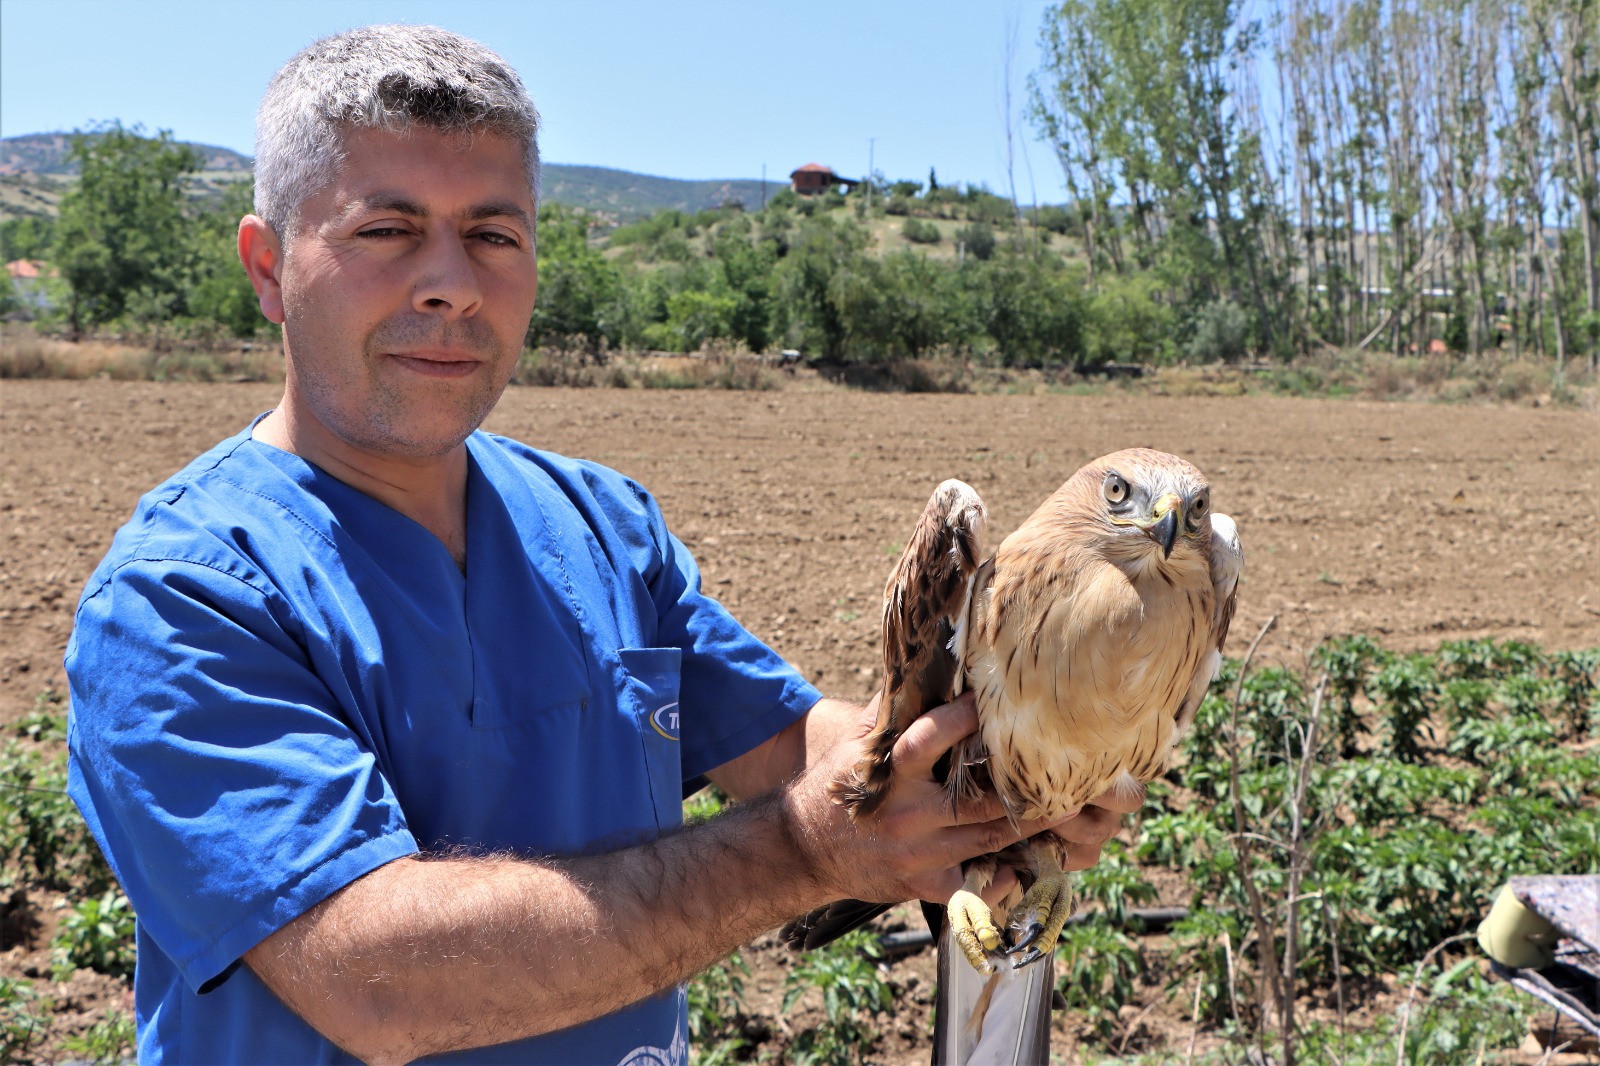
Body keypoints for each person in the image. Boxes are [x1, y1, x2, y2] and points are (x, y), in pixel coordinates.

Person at [64, 24, 1139, 1065]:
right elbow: (374, 981)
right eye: (384, 231)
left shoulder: (598, 525)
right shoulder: (184, 597)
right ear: (266, 268)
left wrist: (983, 790)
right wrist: (808, 851)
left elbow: (792, 747)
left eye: (494, 235)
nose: (452, 282)